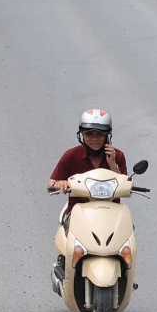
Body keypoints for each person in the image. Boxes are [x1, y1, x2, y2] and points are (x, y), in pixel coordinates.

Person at [48, 110, 127, 279]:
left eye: (100, 134)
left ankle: (126, 274)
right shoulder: (71, 156)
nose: (95, 138)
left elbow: (125, 183)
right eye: (89, 134)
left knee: (126, 240)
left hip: (111, 212)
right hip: (78, 212)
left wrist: (113, 164)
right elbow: (51, 184)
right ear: (82, 135)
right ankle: (66, 272)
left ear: (108, 136)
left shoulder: (117, 156)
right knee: (73, 245)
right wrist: (61, 184)